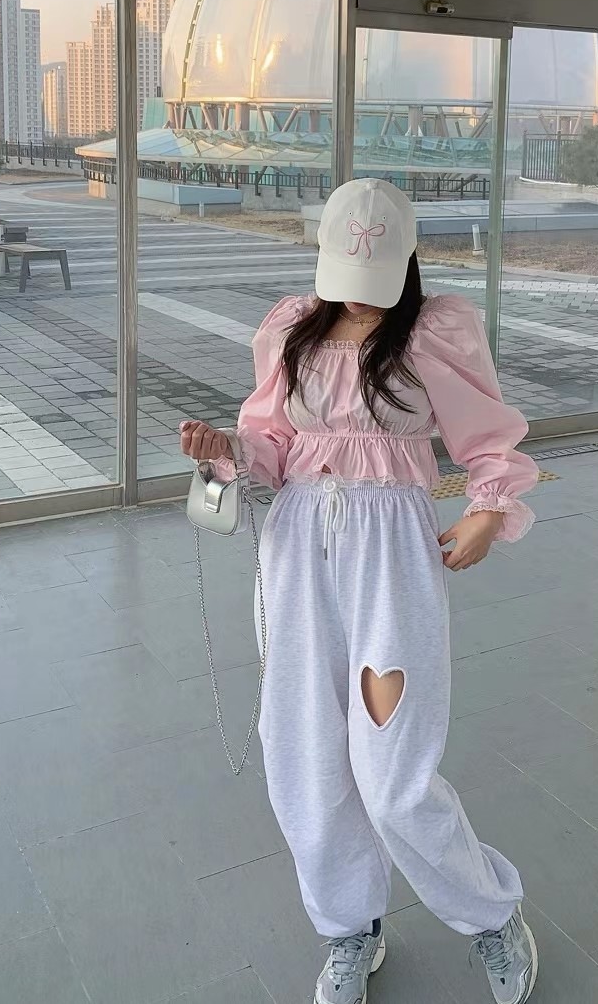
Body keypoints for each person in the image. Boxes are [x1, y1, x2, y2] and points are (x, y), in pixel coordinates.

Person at [180, 178, 540, 1004]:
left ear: (405, 262)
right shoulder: (292, 331)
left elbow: (488, 437)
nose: (359, 295)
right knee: (302, 748)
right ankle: (349, 927)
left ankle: (491, 912)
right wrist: (223, 447)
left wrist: (489, 510)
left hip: (392, 552)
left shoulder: (433, 332)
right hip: (299, 548)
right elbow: (271, 449)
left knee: (392, 770)